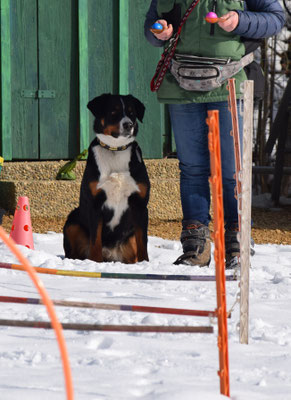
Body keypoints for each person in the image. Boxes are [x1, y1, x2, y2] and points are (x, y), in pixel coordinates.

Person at [144, 0, 286, 267]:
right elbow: (151, 28)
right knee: (192, 169)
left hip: (231, 82)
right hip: (181, 84)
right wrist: (159, 32)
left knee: (233, 169)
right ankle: (195, 245)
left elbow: (276, 18)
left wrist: (240, 20)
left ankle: (237, 243)